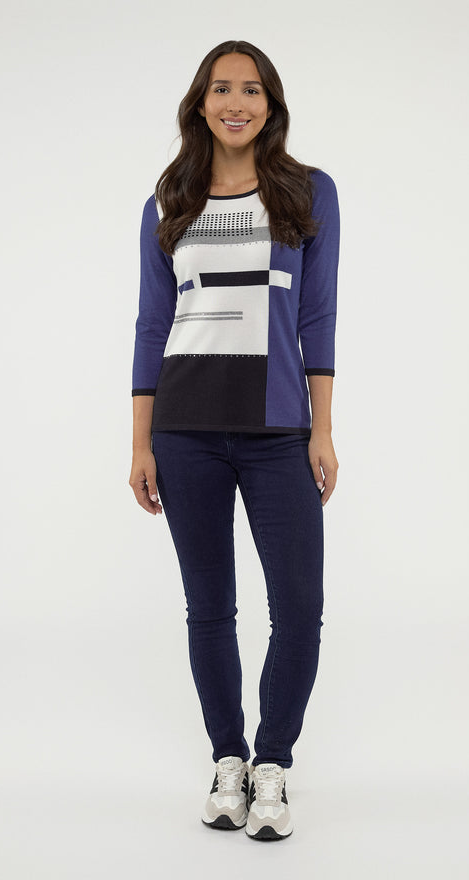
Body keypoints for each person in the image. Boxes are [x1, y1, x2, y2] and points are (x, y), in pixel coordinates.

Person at [129, 39, 339, 841]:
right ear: (200, 103)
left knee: (299, 608)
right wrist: (141, 444)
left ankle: (273, 763)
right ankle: (228, 761)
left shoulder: (308, 192)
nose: (236, 102)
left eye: (251, 89)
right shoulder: (168, 201)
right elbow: (152, 325)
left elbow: (317, 316)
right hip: (184, 430)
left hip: (279, 430)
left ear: (270, 104)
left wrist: (323, 427)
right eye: (221, 88)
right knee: (210, 607)